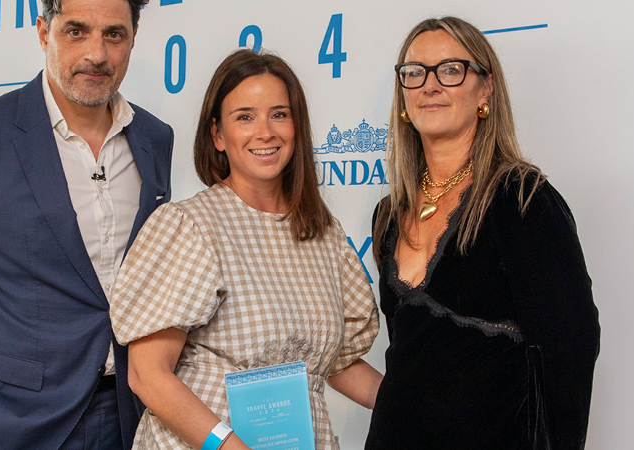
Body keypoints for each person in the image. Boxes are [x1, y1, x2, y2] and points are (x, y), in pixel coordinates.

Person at [0, 0, 172, 448]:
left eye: (114, 34)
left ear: (133, 38)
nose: (97, 54)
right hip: (13, 422)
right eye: (76, 31)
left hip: (129, 415)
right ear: (44, 32)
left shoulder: (155, 138)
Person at [108, 49, 382, 450]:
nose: (265, 132)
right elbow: (147, 375)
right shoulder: (192, 225)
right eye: (245, 117)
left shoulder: (323, 234)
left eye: (279, 114)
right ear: (217, 135)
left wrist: (421, 405)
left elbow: (333, 364)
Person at [365, 17, 600, 450]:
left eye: (450, 70)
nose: (429, 85)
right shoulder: (388, 215)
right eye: (414, 72)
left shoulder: (523, 200)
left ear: (485, 88)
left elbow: (570, 351)